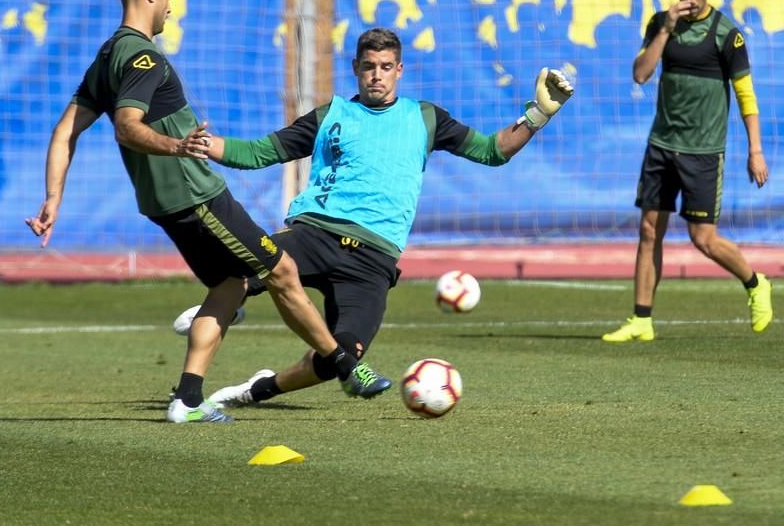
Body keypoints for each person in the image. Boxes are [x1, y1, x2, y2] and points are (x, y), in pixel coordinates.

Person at [25, 0, 391, 423]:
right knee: (281, 270)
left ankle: (189, 400)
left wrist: (53, 198)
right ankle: (346, 367)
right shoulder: (142, 57)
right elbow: (126, 126)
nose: (172, 8)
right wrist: (177, 147)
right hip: (195, 196)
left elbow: (63, 132)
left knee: (231, 283)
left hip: (162, 203)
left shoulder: (107, 55)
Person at [173, 27, 574, 408]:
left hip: (373, 261)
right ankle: (193, 380)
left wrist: (539, 113)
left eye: (385, 67)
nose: (376, 76)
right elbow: (260, 153)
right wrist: (206, 144)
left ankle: (256, 389)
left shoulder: (426, 117)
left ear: (399, 70)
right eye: (368, 67)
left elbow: (493, 151)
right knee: (240, 273)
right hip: (315, 234)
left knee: (341, 357)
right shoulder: (333, 114)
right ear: (356, 69)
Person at [602, 0, 773, 343]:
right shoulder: (662, 24)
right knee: (649, 230)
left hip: (703, 151)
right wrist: (665, 28)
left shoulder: (726, 34)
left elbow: (746, 95)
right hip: (662, 145)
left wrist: (755, 150)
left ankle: (755, 282)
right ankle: (641, 319)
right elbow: (641, 74)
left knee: (703, 239)